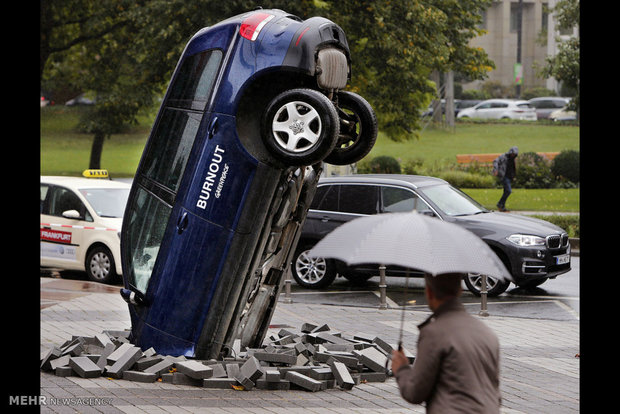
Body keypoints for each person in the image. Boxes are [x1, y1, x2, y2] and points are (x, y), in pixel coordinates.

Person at [391, 273, 501, 413]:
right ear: (459, 290)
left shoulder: (434, 333)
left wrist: (401, 369)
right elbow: (494, 390)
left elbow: (415, 392)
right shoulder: (486, 333)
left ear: (429, 292)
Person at [492, 146, 518, 212]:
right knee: (508, 191)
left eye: (514, 154)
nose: (513, 155)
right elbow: (495, 161)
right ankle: (500, 204)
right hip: (504, 176)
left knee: (506, 191)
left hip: (509, 177)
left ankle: (502, 206)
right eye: (512, 154)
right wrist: (496, 170)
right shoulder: (504, 157)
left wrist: (513, 176)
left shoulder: (513, 159)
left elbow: (512, 168)